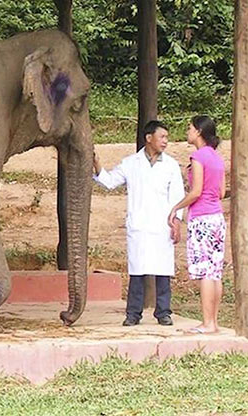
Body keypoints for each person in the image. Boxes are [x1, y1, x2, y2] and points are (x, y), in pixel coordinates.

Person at [94, 120, 185, 327]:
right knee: (138, 270)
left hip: (163, 224)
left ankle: (163, 312)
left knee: (163, 270)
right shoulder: (130, 163)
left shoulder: (170, 165)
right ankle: (133, 314)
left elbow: (178, 196)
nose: (165, 142)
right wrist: (97, 163)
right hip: (140, 224)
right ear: (148, 138)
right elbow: (109, 181)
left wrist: (176, 221)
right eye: (162, 137)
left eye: (167, 138)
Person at [167, 115, 226, 334]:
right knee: (215, 270)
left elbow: (196, 191)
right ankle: (214, 321)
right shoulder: (217, 158)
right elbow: (220, 192)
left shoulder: (198, 157)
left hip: (201, 218)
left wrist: (176, 207)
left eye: (190, 128)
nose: (187, 131)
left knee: (204, 271)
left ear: (199, 131)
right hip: (217, 218)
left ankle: (206, 322)